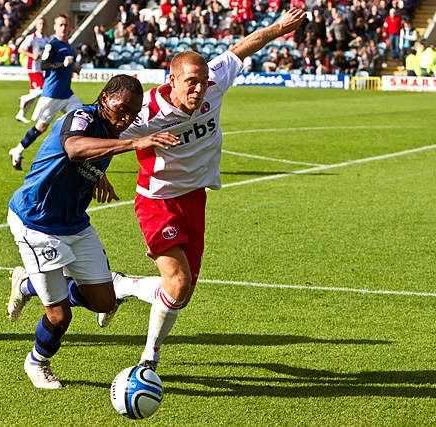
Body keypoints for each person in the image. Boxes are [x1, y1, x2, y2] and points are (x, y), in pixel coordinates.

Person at [95, 8, 307, 372]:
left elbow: (241, 49)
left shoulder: (214, 83)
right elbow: (98, 134)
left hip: (196, 198)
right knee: (176, 284)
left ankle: (121, 287)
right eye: (191, 81)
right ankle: (149, 360)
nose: (199, 88)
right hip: (157, 201)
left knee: (182, 292)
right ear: (172, 80)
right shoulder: (145, 114)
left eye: (203, 81)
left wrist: (278, 27)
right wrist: (96, 171)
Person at [5, 75, 179, 389]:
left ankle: (27, 284)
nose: (126, 119)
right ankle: (37, 362)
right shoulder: (82, 116)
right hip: (37, 222)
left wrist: (98, 176)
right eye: (121, 108)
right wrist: (136, 142)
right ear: (103, 99)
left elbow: (83, 157)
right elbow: (73, 147)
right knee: (59, 317)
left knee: (104, 301)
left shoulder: (111, 130)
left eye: (133, 114)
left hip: (74, 222)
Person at [8, 14, 82, 171]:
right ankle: (18, 151)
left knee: (82, 118)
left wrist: (73, 68)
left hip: (67, 94)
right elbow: (44, 65)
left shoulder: (68, 45)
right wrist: (63, 64)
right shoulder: (52, 44)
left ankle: (76, 160)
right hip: (52, 94)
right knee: (41, 128)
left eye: (66, 25)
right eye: (61, 25)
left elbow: (66, 65)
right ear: (55, 27)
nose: (63, 28)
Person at [15, 18, 50, 124]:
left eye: (43, 24)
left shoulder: (47, 39)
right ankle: (24, 98)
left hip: (42, 69)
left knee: (34, 94)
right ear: (36, 26)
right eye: (39, 24)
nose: (42, 26)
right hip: (33, 68)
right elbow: (20, 49)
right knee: (42, 91)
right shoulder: (32, 38)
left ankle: (21, 114)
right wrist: (32, 55)